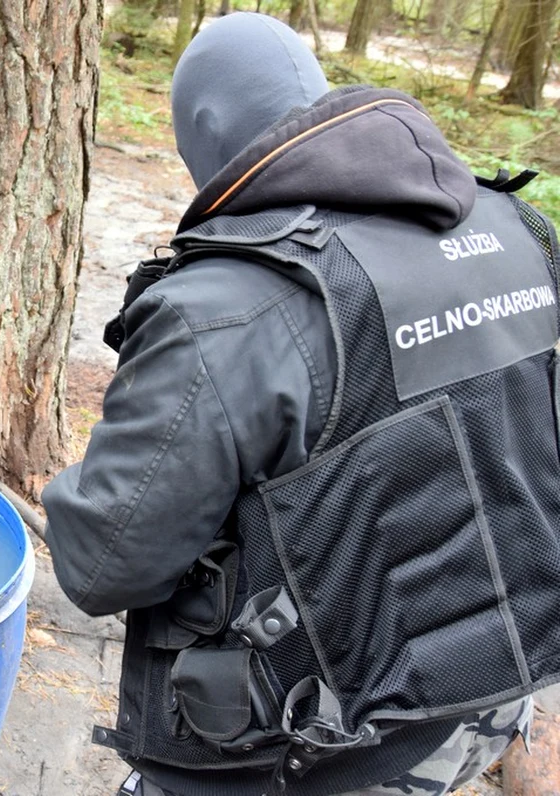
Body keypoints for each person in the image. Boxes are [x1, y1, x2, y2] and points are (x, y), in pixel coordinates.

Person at [41, 12, 557, 796]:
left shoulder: (225, 307)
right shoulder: (519, 230)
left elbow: (105, 563)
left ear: (205, 142)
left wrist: (70, 490)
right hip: (489, 690)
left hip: (311, 746)